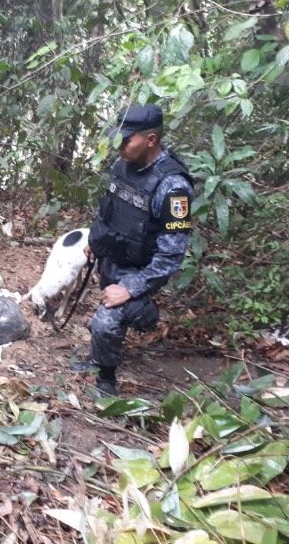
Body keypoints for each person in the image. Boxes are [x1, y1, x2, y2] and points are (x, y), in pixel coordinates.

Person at [71, 104, 194, 396]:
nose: (121, 146)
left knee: (104, 321)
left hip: (139, 269)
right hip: (113, 256)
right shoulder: (122, 166)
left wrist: (131, 288)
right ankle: (98, 358)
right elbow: (108, 209)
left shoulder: (172, 187)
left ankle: (107, 383)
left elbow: (171, 255)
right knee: (106, 310)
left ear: (151, 140)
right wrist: (95, 241)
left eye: (128, 139)